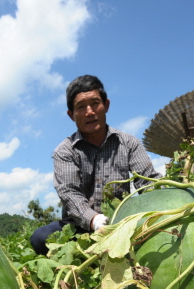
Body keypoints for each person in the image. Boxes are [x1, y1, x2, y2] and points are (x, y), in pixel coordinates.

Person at [30, 75, 161, 256]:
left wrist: (170, 191)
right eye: (81, 107)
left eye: (95, 103)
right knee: (40, 237)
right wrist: (95, 220)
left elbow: (147, 182)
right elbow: (69, 194)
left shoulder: (129, 143)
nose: (89, 112)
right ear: (71, 115)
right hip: (77, 227)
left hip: (120, 222)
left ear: (106, 105)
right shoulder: (65, 151)